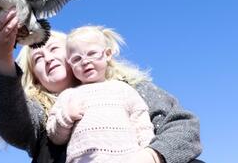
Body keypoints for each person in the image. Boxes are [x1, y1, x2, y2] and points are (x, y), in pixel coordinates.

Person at [0, 6, 203, 163]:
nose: (48, 59)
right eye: (38, 59)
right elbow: (10, 116)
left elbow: (182, 125)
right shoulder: (42, 115)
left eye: (53, 50)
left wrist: (152, 155)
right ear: (35, 78)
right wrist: (2, 55)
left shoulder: (127, 89)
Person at [46, 26, 156, 163]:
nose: (85, 61)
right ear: (70, 64)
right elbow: (54, 136)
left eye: (92, 53)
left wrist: (147, 151)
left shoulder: (123, 89)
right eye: (76, 59)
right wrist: (66, 117)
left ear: (107, 54)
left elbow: (142, 123)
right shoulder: (68, 96)